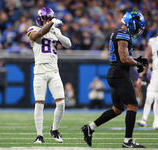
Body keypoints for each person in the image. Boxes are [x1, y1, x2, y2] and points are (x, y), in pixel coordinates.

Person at [81, 9, 148, 148]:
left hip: (114, 72)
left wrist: (136, 60)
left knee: (117, 109)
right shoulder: (123, 34)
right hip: (119, 74)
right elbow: (124, 59)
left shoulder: (119, 33)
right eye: (138, 26)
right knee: (132, 106)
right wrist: (138, 64)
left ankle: (90, 127)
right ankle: (128, 141)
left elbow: (121, 57)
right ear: (132, 22)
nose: (138, 30)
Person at [27, 7, 71, 143]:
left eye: (49, 18)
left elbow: (68, 44)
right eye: (45, 18)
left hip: (53, 71)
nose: (47, 20)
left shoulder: (55, 30)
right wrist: (51, 25)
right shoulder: (32, 28)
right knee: (39, 104)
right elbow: (37, 35)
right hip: (40, 72)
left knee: (61, 103)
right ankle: (39, 135)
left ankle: (54, 129)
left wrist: (56, 33)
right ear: (40, 19)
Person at [136, 35, 158, 130]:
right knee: (157, 98)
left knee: (150, 95)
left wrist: (142, 76)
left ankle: (144, 119)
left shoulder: (154, 41)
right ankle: (156, 122)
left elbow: (146, 57)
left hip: (156, 74)